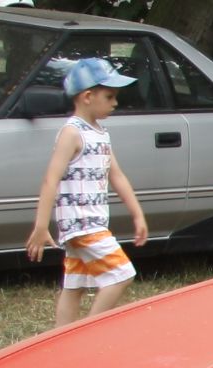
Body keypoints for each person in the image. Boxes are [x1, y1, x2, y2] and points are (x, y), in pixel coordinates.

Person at [25, 57, 148, 328]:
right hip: (82, 224)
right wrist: (41, 225)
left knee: (75, 285)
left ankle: (60, 340)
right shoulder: (72, 133)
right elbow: (50, 180)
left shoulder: (100, 133)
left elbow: (116, 175)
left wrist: (137, 215)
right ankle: (88, 332)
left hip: (92, 222)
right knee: (122, 274)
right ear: (88, 96)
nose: (115, 103)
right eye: (110, 96)